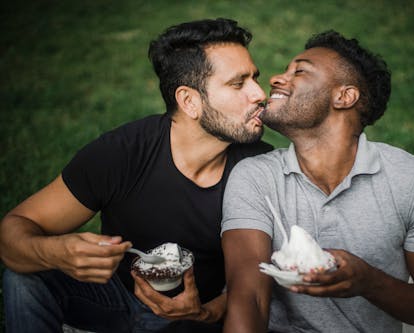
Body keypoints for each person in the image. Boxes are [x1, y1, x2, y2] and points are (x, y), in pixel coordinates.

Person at [0, 18, 272, 333]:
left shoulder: (259, 169)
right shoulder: (124, 152)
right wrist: (57, 253)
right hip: (113, 299)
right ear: (189, 101)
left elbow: (262, 283)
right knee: (24, 278)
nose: (258, 93)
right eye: (238, 83)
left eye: (255, 78)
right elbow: (13, 232)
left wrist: (204, 312)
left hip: (197, 315)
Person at [221, 29, 414, 333]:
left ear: (344, 96)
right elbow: (249, 297)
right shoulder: (255, 176)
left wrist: (368, 282)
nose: (275, 79)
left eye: (300, 71)